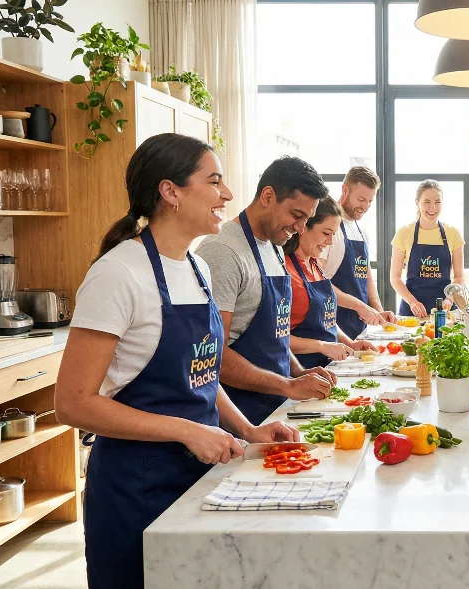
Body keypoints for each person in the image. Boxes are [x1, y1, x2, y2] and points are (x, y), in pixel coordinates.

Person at [54, 134, 297, 589]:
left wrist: (248, 429)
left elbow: (200, 375)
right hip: (136, 487)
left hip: (199, 476)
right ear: (171, 192)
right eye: (215, 181)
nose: (226, 194)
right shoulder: (118, 273)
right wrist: (188, 430)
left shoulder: (198, 269)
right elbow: (71, 404)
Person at [196, 156, 336, 426]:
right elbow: (215, 355)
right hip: (240, 415)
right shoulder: (222, 252)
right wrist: (287, 385)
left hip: (276, 408)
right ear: (268, 196)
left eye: (306, 220)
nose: (299, 228)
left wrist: (299, 372)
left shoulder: (274, 246)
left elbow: (278, 336)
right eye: (296, 216)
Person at [285, 196, 377, 368]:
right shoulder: (286, 271)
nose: (330, 242)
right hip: (301, 371)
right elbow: (276, 338)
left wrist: (350, 343)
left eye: (333, 234)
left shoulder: (316, 265)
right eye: (326, 233)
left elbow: (326, 320)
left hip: (327, 367)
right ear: (303, 226)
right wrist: (322, 346)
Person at [322, 166, 396, 337]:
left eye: (370, 201)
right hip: (333, 324)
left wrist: (378, 311)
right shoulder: (328, 229)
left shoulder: (362, 232)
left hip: (360, 327)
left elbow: (368, 279)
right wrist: (360, 307)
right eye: (361, 199)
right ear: (345, 190)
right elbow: (318, 282)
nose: (365, 206)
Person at [389, 180, 465, 317]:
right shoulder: (404, 233)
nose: (433, 207)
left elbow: (459, 277)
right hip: (412, 311)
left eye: (437, 202)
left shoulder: (453, 233)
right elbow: (395, 278)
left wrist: (450, 298)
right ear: (417, 202)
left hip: (446, 311)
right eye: (427, 202)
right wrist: (412, 302)